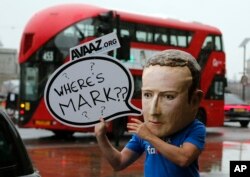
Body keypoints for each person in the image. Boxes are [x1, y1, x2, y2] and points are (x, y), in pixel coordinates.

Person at [95, 49, 206, 177]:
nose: (153, 111)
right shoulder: (145, 131)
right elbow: (119, 162)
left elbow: (184, 159)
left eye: (169, 97)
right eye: (147, 95)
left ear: (194, 100)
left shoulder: (195, 129)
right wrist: (101, 137)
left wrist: (149, 137)